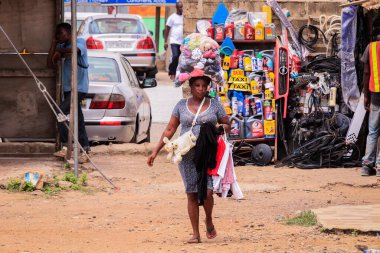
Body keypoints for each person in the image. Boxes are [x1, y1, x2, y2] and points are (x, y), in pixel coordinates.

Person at [147, 76, 231, 243]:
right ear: (190, 87)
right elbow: (170, 129)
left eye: (204, 86)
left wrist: (215, 129)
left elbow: (227, 124)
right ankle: (195, 234)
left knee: (207, 192)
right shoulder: (180, 105)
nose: (201, 89)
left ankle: (208, 219)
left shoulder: (214, 104)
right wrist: (155, 151)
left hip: (209, 154)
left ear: (208, 87)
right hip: (186, 156)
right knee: (191, 193)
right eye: (197, 85)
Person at [47, 22, 90, 162]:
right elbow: (49, 63)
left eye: (61, 33)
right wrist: (54, 44)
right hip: (68, 89)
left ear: (69, 32)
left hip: (79, 88)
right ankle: (85, 149)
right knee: (78, 119)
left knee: (59, 111)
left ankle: (66, 146)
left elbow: (75, 50)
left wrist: (59, 50)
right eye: (57, 34)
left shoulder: (79, 41)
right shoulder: (62, 46)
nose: (59, 36)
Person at [361, 21, 380, 176]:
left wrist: (366, 95)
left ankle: (367, 166)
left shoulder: (371, 47)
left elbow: (366, 74)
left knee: (372, 131)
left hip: (375, 96)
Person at [164, 1, 183, 81]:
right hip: (174, 40)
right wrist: (165, 41)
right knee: (175, 56)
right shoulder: (172, 17)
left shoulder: (185, 16)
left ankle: (178, 74)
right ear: (176, 8)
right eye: (180, 7)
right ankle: (172, 72)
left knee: (180, 58)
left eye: (182, 7)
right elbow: (167, 29)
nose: (181, 9)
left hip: (183, 41)